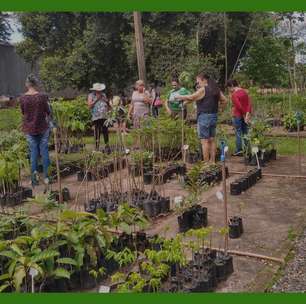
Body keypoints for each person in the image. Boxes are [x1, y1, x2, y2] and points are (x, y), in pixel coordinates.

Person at [177, 73, 227, 163]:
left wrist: (179, 96)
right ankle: (212, 161)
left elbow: (192, 96)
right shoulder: (216, 89)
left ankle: (206, 163)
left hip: (204, 117)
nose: (198, 84)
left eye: (198, 82)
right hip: (213, 116)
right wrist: (220, 110)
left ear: (204, 80)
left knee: (204, 141)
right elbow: (224, 100)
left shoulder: (203, 89)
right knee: (212, 139)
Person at [20, 74, 51, 187]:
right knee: (44, 151)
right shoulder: (43, 96)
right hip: (43, 127)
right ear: (36, 84)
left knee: (33, 153)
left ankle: (34, 180)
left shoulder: (23, 98)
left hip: (29, 128)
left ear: (27, 84)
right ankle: (47, 177)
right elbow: (48, 111)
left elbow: (23, 112)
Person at [227, 79, 252, 156]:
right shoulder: (245, 92)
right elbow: (249, 103)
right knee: (245, 132)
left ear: (231, 86)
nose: (229, 90)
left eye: (228, 88)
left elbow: (239, 106)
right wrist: (247, 113)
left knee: (238, 132)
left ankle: (239, 150)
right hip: (245, 115)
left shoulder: (234, 95)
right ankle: (247, 150)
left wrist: (244, 115)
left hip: (238, 116)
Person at [87, 83, 110, 151]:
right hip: (96, 116)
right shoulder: (91, 95)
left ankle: (107, 146)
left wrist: (106, 101)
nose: (99, 91)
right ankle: (96, 147)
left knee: (105, 131)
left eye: (100, 90)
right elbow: (89, 106)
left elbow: (107, 104)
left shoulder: (103, 95)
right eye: (98, 90)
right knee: (97, 131)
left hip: (104, 116)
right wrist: (97, 99)